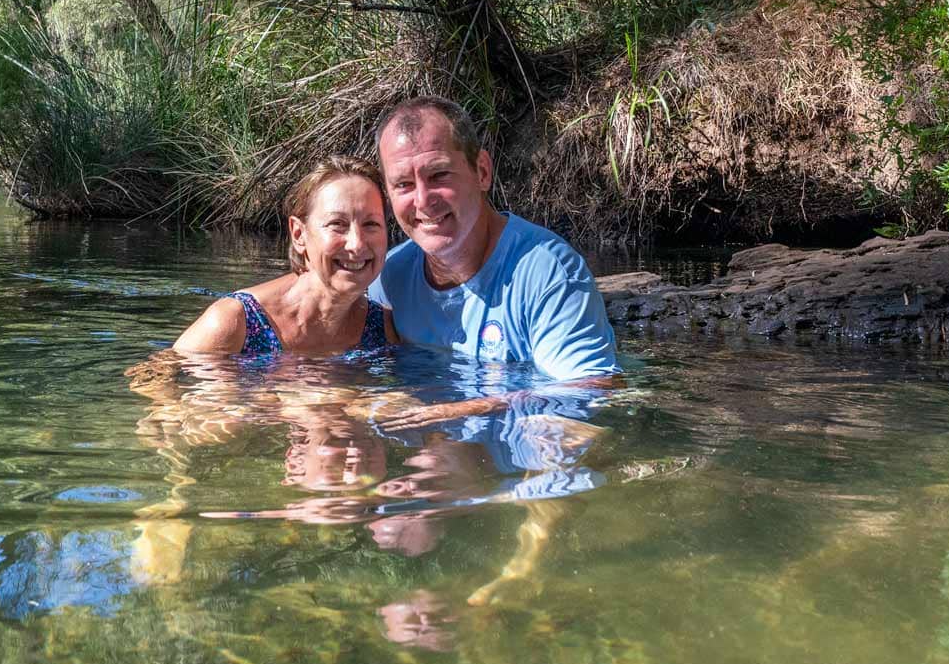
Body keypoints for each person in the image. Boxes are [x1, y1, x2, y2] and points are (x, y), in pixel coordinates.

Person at [367, 96, 620, 426]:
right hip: (435, 452)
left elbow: (592, 390)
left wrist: (457, 411)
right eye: (403, 184)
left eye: (439, 175)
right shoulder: (389, 277)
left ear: (482, 171)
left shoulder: (547, 272)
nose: (423, 200)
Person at [171, 155, 399, 355]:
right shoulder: (236, 320)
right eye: (337, 224)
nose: (357, 244)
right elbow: (154, 382)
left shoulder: (383, 330)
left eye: (371, 224)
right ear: (299, 234)